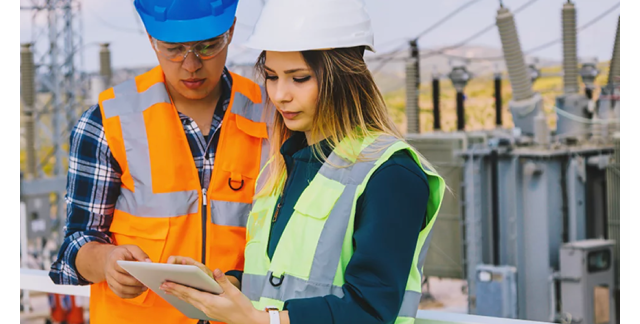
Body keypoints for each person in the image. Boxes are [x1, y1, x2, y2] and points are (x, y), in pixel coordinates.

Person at [159, 0, 446, 323]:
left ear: (344, 77)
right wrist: (225, 287)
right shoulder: (282, 167)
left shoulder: (391, 174)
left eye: (299, 78)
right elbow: (277, 279)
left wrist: (262, 320)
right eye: (271, 76)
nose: (280, 94)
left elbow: (371, 309)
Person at [48, 0, 271, 323]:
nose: (191, 64)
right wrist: (108, 261)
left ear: (231, 31)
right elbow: (76, 245)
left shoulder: (272, 117)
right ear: (152, 40)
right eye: (173, 48)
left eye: (207, 46)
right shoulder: (108, 122)